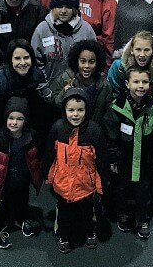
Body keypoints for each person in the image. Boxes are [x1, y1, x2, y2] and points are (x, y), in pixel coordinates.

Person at [107, 31, 153, 204]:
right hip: (126, 117)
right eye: (138, 49)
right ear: (131, 49)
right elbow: (114, 95)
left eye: (146, 50)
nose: (142, 54)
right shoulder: (119, 67)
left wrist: (152, 126)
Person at [103, 66, 153, 240]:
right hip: (123, 158)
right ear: (127, 83)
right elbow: (110, 137)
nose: (141, 86)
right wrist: (113, 160)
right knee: (121, 188)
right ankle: (123, 213)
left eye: (145, 82)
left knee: (143, 191)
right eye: (136, 82)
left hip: (145, 159)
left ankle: (142, 218)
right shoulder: (116, 107)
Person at [43, 88, 109, 253]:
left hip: (85, 184)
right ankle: (63, 235)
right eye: (71, 110)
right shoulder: (57, 128)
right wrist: (45, 173)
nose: (75, 114)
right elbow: (49, 153)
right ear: (64, 110)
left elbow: (102, 158)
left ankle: (90, 231)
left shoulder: (94, 131)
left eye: (80, 110)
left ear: (87, 110)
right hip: (63, 183)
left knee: (87, 211)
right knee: (64, 213)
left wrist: (104, 181)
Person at [0, 97, 43, 249]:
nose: (14, 123)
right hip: (3, 182)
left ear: (26, 120)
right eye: (11, 118)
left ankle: (22, 219)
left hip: (22, 179)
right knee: (1, 208)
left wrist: (37, 175)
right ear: (5, 118)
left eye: (19, 119)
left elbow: (36, 157)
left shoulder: (32, 136)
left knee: (22, 202)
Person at [31, 0, 97, 95]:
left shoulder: (86, 30)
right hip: (49, 94)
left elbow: (95, 60)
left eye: (68, 7)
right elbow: (36, 63)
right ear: (52, 8)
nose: (63, 11)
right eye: (59, 6)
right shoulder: (42, 30)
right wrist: (45, 90)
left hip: (80, 96)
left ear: (75, 9)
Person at [47, 39, 112, 124]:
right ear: (76, 61)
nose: (87, 66)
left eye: (91, 62)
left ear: (98, 63)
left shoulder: (104, 86)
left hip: (93, 131)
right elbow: (55, 105)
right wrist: (64, 92)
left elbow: (108, 115)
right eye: (83, 61)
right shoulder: (66, 78)